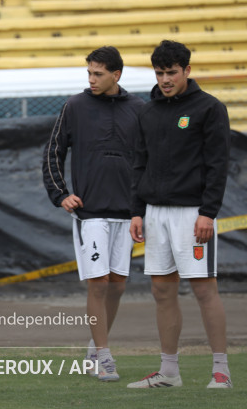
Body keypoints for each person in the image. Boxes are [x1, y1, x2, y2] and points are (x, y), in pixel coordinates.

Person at [128, 40, 231, 389]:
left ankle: (221, 371)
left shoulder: (209, 108)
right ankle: (169, 372)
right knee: (161, 290)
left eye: (171, 72)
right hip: (155, 214)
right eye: (160, 73)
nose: (165, 79)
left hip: (193, 214)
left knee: (204, 290)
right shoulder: (147, 112)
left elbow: (218, 165)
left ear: (187, 70)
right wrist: (137, 212)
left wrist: (208, 212)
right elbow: (139, 164)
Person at [42, 46, 144, 382]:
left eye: (98, 74)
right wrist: (60, 194)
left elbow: (147, 161)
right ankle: (104, 356)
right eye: (89, 73)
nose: (92, 79)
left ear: (117, 75)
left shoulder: (138, 109)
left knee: (118, 285)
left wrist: (140, 209)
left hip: (126, 213)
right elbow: (53, 152)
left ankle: (93, 349)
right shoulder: (75, 105)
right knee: (98, 284)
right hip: (91, 213)